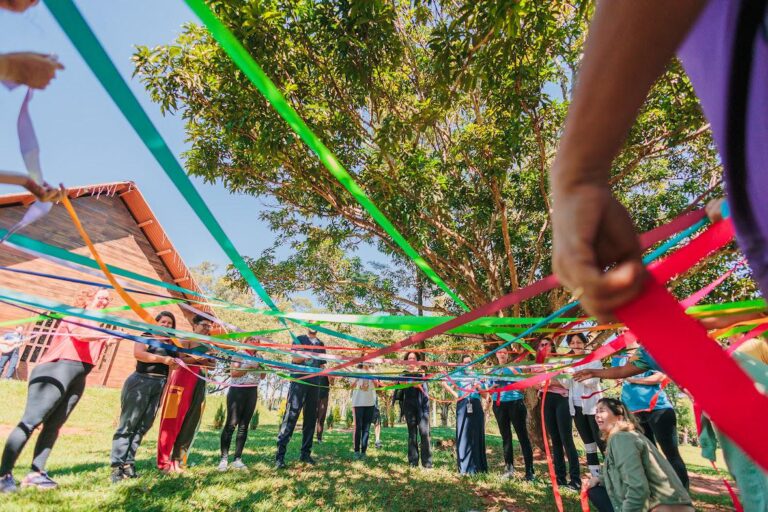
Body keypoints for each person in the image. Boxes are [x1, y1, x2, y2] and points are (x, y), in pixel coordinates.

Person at [0, 287, 112, 492]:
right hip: (56, 369)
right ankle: (3, 475)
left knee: (54, 425)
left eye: (108, 300)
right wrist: (106, 335)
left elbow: (92, 344)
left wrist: (108, 338)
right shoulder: (77, 315)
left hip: (79, 375)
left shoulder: (97, 324)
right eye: (101, 297)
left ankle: (36, 473)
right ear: (88, 298)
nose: (105, 302)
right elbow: (81, 335)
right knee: (31, 421)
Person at [587, 398, 693, 512]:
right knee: (596, 491)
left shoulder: (622, 438)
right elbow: (617, 470)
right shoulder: (623, 437)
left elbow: (638, 488)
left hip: (665, 506)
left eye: (602, 411)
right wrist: (599, 479)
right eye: (596, 411)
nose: (597, 415)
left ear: (619, 417)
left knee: (597, 493)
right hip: (670, 504)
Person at [110, 311, 179, 483]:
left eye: (170, 323)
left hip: (159, 384)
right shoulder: (147, 336)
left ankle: (128, 464)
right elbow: (139, 354)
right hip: (140, 382)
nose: (166, 325)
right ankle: (117, 466)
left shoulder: (172, 344)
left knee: (143, 425)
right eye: (163, 322)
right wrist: (162, 360)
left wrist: (162, 395)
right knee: (128, 424)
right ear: (156, 323)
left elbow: (171, 371)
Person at [156, 314, 215, 473]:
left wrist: (207, 360)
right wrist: (199, 358)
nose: (207, 328)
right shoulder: (185, 339)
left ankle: (178, 461)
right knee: (172, 419)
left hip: (200, 382)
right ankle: (163, 462)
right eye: (204, 325)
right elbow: (180, 360)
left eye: (209, 326)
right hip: (182, 381)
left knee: (191, 421)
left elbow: (212, 366)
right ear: (194, 325)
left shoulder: (209, 344)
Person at [275, 328, 326, 469]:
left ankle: (305, 454)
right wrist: (306, 357)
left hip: (314, 384)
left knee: (310, 419)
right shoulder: (299, 339)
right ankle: (280, 456)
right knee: (291, 415)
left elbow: (322, 365)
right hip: (299, 382)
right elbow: (295, 359)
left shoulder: (321, 344)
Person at [537, 336, 581, 490]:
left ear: (553, 346)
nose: (544, 346)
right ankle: (560, 478)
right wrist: (541, 383)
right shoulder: (537, 365)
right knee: (555, 439)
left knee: (566, 439)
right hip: (546, 400)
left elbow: (568, 383)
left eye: (547, 344)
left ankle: (575, 480)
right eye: (541, 345)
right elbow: (535, 384)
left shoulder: (561, 362)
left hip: (562, 400)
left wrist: (549, 381)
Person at [487, 346, 534, 480]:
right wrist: (492, 387)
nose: (502, 354)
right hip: (499, 405)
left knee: (522, 436)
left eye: (504, 352)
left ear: (508, 355)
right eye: (499, 352)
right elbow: (489, 390)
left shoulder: (515, 368)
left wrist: (514, 377)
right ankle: (509, 468)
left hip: (515, 404)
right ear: (496, 355)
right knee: (506, 437)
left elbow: (524, 386)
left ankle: (529, 471)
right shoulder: (492, 371)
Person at [218, 338, 264, 471]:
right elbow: (234, 373)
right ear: (245, 341)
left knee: (244, 426)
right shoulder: (239, 354)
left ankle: (237, 459)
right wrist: (248, 367)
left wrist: (261, 368)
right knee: (231, 424)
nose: (254, 342)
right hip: (237, 391)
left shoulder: (260, 357)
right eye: (251, 340)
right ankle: (224, 459)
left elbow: (262, 376)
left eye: (257, 341)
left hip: (252, 391)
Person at [565, 333, 604, 478]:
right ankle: (595, 474)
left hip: (593, 406)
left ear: (584, 343)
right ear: (569, 345)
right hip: (576, 407)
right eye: (573, 343)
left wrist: (575, 373)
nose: (576, 345)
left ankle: (613, 471)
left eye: (579, 342)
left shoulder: (593, 359)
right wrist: (564, 374)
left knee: (600, 439)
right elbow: (566, 385)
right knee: (588, 441)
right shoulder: (568, 361)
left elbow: (593, 381)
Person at [443, 354, 488, 475]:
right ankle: (464, 468)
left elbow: (485, 395)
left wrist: (479, 387)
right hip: (463, 404)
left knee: (477, 434)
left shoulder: (478, 375)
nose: (468, 364)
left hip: (476, 404)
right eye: (465, 362)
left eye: (470, 362)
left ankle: (479, 467)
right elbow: (444, 382)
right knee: (463, 434)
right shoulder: (458, 374)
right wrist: (456, 394)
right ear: (462, 364)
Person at [393, 351, 432, 468]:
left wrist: (411, 382)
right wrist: (404, 382)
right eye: (409, 358)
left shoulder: (422, 372)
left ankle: (427, 463)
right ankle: (413, 462)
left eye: (413, 358)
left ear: (417, 360)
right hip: (409, 407)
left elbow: (419, 384)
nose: (411, 360)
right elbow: (400, 384)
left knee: (424, 433)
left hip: (423, 406)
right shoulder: (403, 374)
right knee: (412, 434)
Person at [350, 364, 377, 460]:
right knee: (358, 427)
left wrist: (371, 374)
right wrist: (357, 378)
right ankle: (356, 451)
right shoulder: (356, 371)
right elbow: (351, 386)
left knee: (366, 428)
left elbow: (377, 385)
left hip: (370, 403)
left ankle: (364, 451)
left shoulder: (373, 372)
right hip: (358, 402)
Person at [315, 374, 331, 444]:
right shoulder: (315, 370)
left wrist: (330, 377)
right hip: (313, 395)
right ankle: (308, 438)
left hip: (324, 397)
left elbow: (332, 383)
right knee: (311, 418)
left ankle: (319, 438)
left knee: (321, 418)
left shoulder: (328, 372)